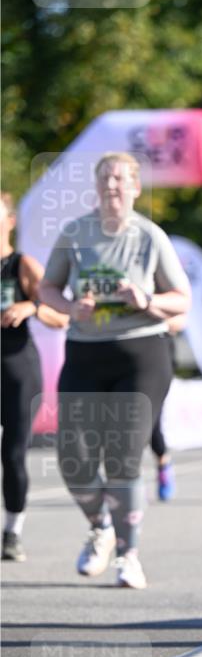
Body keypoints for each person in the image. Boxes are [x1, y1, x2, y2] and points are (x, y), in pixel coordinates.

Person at [39, 152, 191, 588]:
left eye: (121, 179)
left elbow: (181, 298)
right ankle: (101, 526)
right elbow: (48, 288)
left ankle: (129, 554)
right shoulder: (75, 233)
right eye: (105, 177)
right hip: (86, 350)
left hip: (141, 353)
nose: (112, 185)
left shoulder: (149, 236)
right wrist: (71, 307)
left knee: (123, 455)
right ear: (96, 185)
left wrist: (145, 300)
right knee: (73, 457)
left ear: (136, 187)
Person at [1, 192, 69, 561]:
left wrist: (30, 306)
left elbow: (61, 314)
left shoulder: (20, 265)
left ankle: (12, 532)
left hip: (16, 372)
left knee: (11, 454)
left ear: (9, 221)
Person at [149, 313, 188, 501]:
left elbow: (179, 320)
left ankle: (163, 462)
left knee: (150, 421)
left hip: (156, 356)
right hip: (114, 356)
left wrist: (145, 313)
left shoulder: (161, 284)